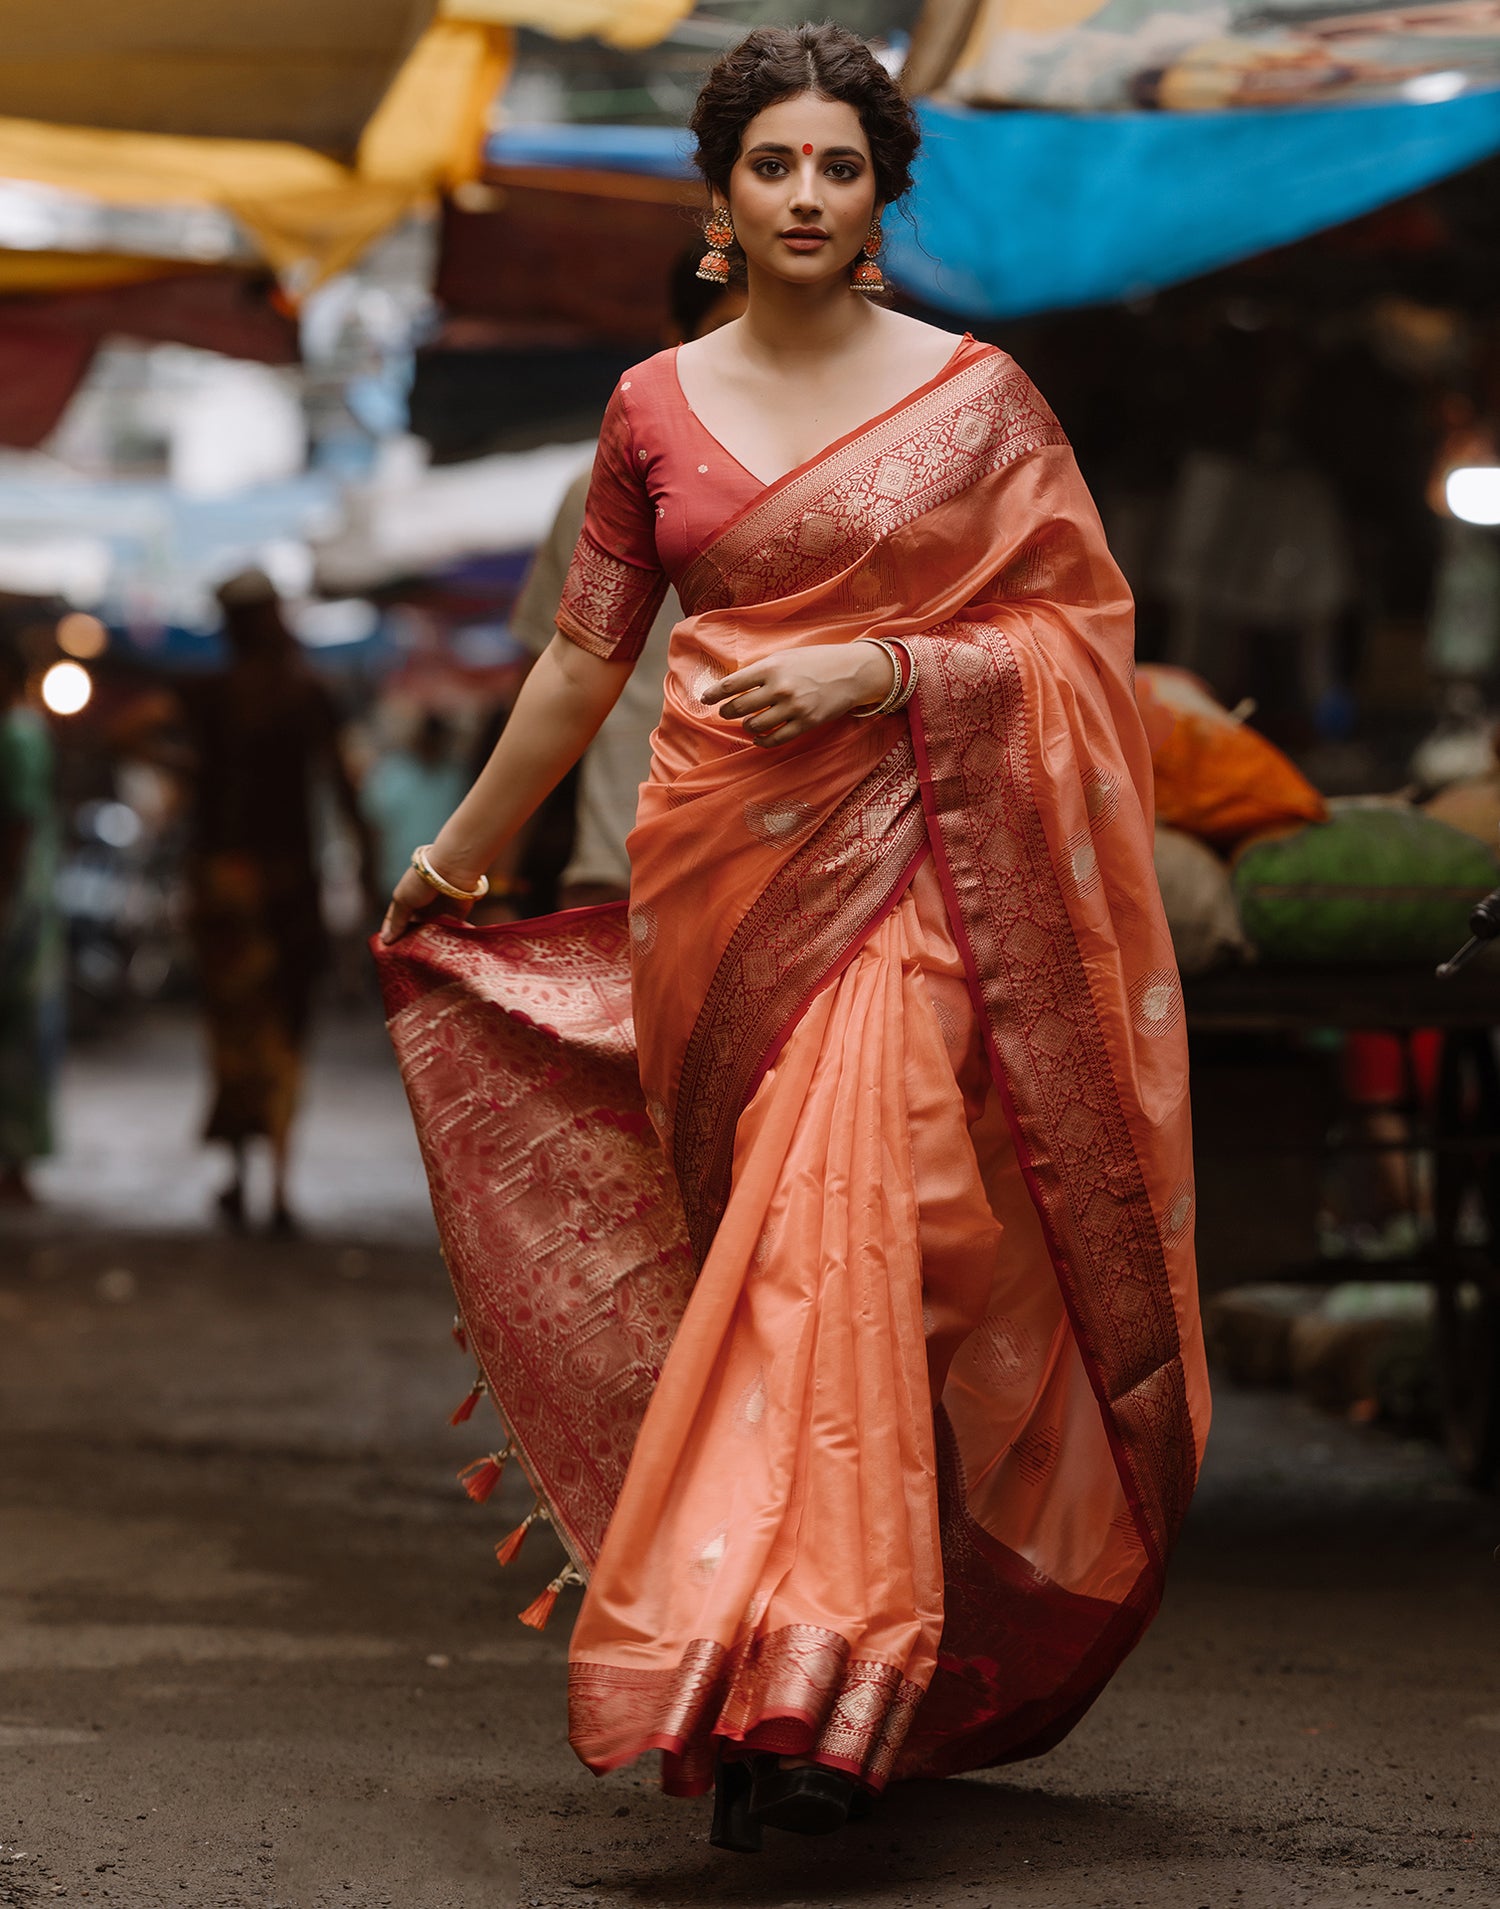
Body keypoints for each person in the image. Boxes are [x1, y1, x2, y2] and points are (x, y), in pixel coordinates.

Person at [379, 22, 1207, 1853]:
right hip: (717, 892)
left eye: (842, 167)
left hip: (927, 875)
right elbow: (586, 657)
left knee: (863, 1232)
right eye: (777, 167)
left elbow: (1076, 643)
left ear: (882, 197)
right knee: (769, 1265)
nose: (809, 196)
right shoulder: (651, 409)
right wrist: (456, 854)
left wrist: (891, 666)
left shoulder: (978, 403)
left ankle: (816, 1683)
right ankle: (780, 1670)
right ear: (720, 196)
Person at [509, 251, 746, 908]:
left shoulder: (857, 497)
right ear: (679, 342)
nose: (761, 363)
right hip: (616, 872)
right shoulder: (605, 494)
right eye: (733, 334)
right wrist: (484, 872)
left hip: (792, 896)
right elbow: (554, 682)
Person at [176, 571, 373, 1234]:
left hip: (222, 883)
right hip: (289, 886)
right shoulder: (306, 695)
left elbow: (125, 733)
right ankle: (280, 1185)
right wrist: (374, 877)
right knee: (288, 1028)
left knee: (234, 1032)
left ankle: (237, 1175)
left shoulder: (206, 697)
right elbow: (346, 794)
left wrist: (189, 770)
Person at [0, 637, 62, 1204]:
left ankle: (14, 1161)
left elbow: (18, 824)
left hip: (19, 903)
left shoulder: (17, 734)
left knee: (17, 1031)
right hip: (28, 899)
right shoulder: (26, 731)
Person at [362, 712, 468, 900]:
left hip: (444, 881)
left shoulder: (456, 775)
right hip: (395, 877)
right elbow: (373, 826)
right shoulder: (392, 772)